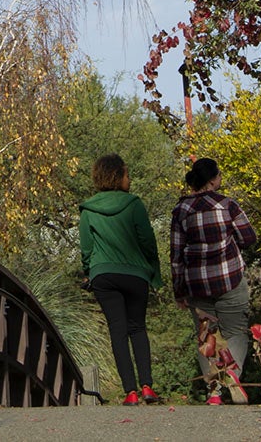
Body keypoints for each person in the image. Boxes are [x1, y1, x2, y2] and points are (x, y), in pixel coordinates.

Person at [169, 157, 258, 405]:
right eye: (219, 176)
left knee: (205, 336)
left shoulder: (181, 211)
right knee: (236, 331)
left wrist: (179, 291)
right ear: (212, 180)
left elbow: (176, 255)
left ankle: (215, 392)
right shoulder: (228, 206)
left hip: (197, 285)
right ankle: (232, 374)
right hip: (230, 278)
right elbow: (249, 238)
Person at [78, 153, 162, 406]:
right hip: (135, 274)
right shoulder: (134, 204)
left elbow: (86, 248)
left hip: (104, 275)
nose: (130, 179)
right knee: (137, 328)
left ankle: (130, 391)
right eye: (127, 174)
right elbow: (147, 241)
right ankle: (147, 386)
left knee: (118, 330)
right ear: (117, 176)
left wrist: (88, 271)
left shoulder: (88, 209)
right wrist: (153, 271)